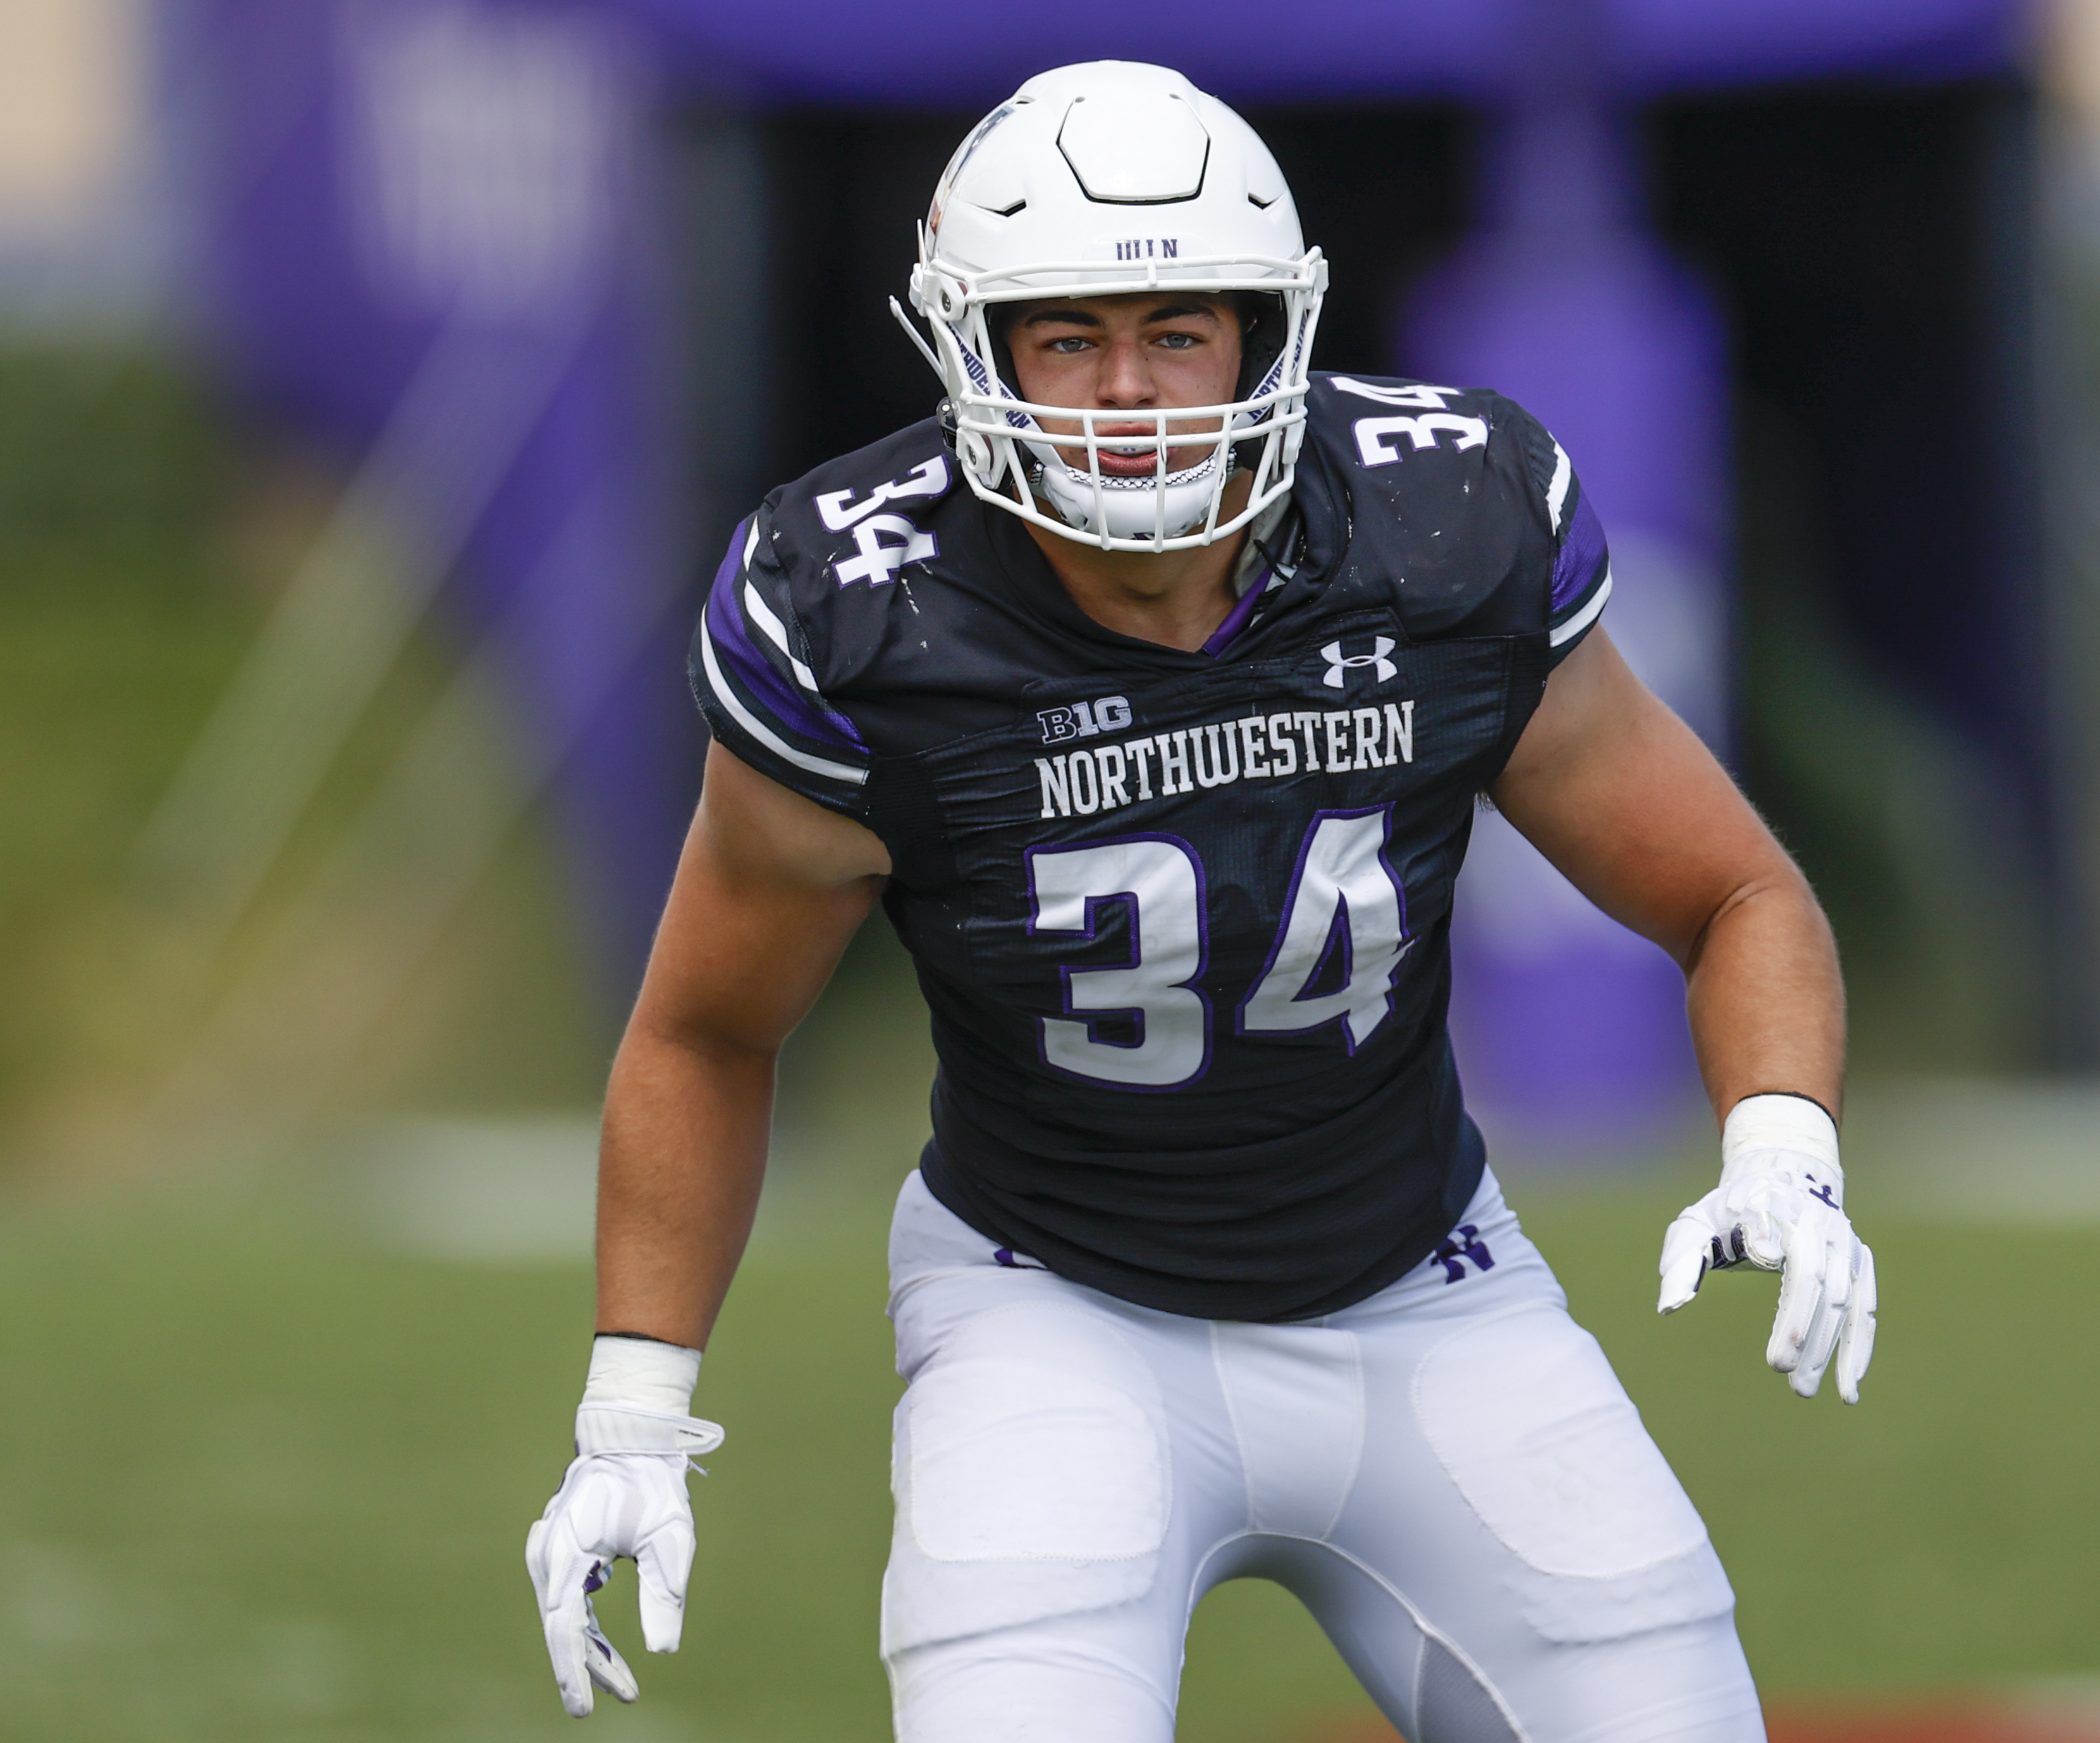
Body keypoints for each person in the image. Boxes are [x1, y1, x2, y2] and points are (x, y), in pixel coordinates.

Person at [525, 59, 1877, 1743]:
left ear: (1262, 333)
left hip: (1432, 1292)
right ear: (976, 351)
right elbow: (708, 1030)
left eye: (1178, 330)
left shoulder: (1438, 523)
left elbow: (1735, 889)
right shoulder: (867, 611)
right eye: (1067, 337)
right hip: (1054, 1313)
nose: (1129, 392)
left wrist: (1783, 1149)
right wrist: (634, 1416)